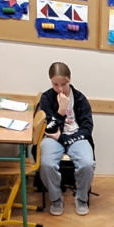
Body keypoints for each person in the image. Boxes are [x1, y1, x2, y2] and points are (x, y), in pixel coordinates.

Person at [38, 61, 95, 217]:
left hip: (75, 136)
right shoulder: (47, 98)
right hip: (53, 138)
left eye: (63, 84)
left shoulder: (80, 98)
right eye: (55, 84)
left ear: (70, 80)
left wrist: (64, 138)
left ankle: (82, 198)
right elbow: (50, 129)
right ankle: (56, 199)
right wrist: (61, 110)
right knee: (46, 164)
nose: (60, 89)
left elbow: (87, 128)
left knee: (87, 163)